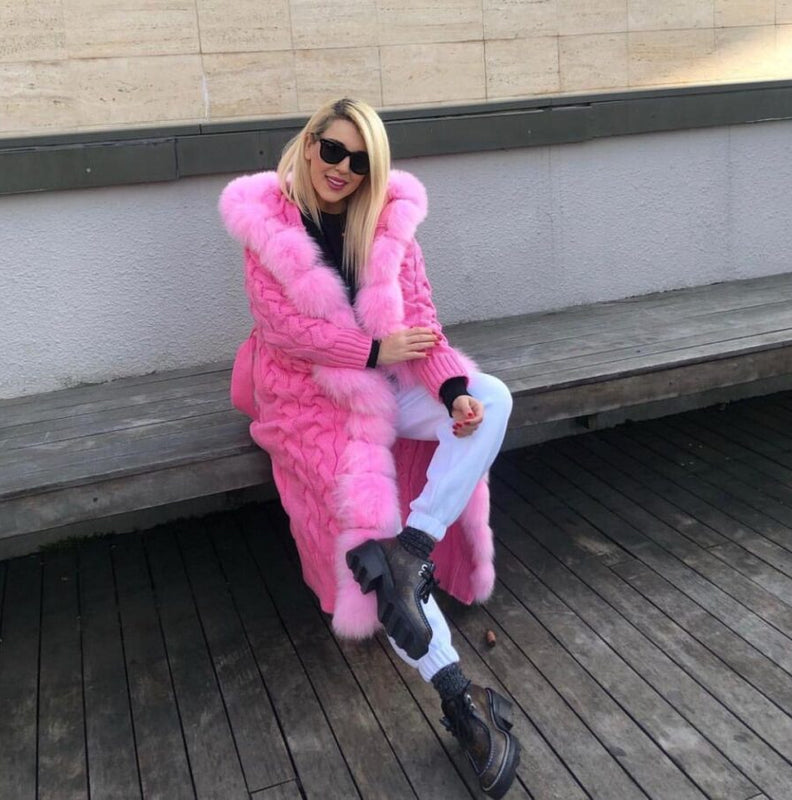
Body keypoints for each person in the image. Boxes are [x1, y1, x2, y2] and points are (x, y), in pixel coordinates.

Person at [220, 97, 520, 798]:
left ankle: (413, 550)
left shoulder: (389, 227)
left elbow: (425, 331)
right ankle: (458, 697)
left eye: (360, 161)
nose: (343, 170)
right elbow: (287, 330)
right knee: (365, 527)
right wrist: (374, 346)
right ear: (310, 141)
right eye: (334, 151)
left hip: (388, 378)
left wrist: (452, 393)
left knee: (495, 395)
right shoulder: (267, 222)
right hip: (308, 397)